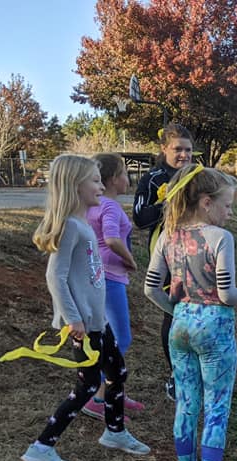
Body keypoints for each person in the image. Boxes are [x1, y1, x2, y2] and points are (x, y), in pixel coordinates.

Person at [20, 154, 151, 461]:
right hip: (84, 327)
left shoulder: (81, 224)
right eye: (94, 180)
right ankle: (41, 447)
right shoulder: (70, 228)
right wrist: (72, 319)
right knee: (88, 386)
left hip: (98, 322)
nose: (100, 186)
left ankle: (115, 431)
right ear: (75, 186)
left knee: (117, 372)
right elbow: (56, 277)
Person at [144, 164, 237, 461]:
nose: (230, 212)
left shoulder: (168, 235)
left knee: (186, 405)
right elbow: (226, 294)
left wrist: (177, 308)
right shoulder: (220, 238)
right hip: (215, 331)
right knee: (217, 408)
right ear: (206, 202)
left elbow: (150, 288)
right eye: (227, 205)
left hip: (180, 327)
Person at [134, 123, 194, 402]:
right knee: (173, 311)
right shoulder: (153, 178)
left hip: (197, 252)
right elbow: (140, 219)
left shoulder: (197, 175)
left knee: (196, 308)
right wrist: (166, 205)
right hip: (167, 253)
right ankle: (175, 374)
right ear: (164, 149)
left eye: (188, 149)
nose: (184, 155)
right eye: (178, 149)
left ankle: (196, 368)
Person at [82, 153, 144, 420]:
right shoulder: (110, 206)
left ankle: (115, 390)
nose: (127, 178)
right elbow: (111, 238)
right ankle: (98, 396)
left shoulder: (90, 204)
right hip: (110, 278)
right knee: (121, 338)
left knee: (105, 337)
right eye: (124, 173)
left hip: (95, 276)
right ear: (111, 179)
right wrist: (130, 260)